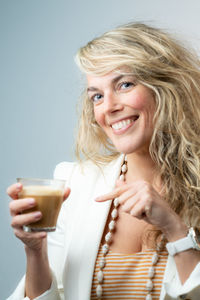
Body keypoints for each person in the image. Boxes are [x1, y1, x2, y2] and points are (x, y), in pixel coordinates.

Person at [7, 22, 200, 300]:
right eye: (97, 96)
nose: (108, 107)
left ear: (166, 86)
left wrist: (175, 229)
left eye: (124, 84)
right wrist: (35, 251)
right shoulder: (76, 183)